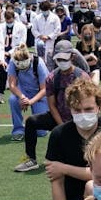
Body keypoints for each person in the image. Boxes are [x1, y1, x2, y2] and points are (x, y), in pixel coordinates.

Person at [44, 75, 101, 200]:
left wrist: (64, 168)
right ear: (70, 109)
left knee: (91, 187)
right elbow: (56, 181)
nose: (82, 114)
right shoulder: (59, 135)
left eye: (88, 109)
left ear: (99, 108)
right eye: (77, 110)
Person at [15, 40, 83, 172]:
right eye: (59, 59)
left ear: (72, 57)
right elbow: (52, 105)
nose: (62, 61)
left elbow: (86, 104)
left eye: (64, 58)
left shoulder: (81, 77)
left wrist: (75, 125)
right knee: (31, 121)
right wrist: (62, 126)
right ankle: (31, 159)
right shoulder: (52, 78)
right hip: (58, 117)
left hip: (79, 119)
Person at [5, 44, 50, 140]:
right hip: (22, 91)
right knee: (13, 99)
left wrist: (30, 102)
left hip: (39, 94)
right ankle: (18, 130)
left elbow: (44, 89)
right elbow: (12, 85)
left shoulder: (39, 63)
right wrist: (22, 97)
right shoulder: (13, 62)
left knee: (41, 132)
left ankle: (36, 126)